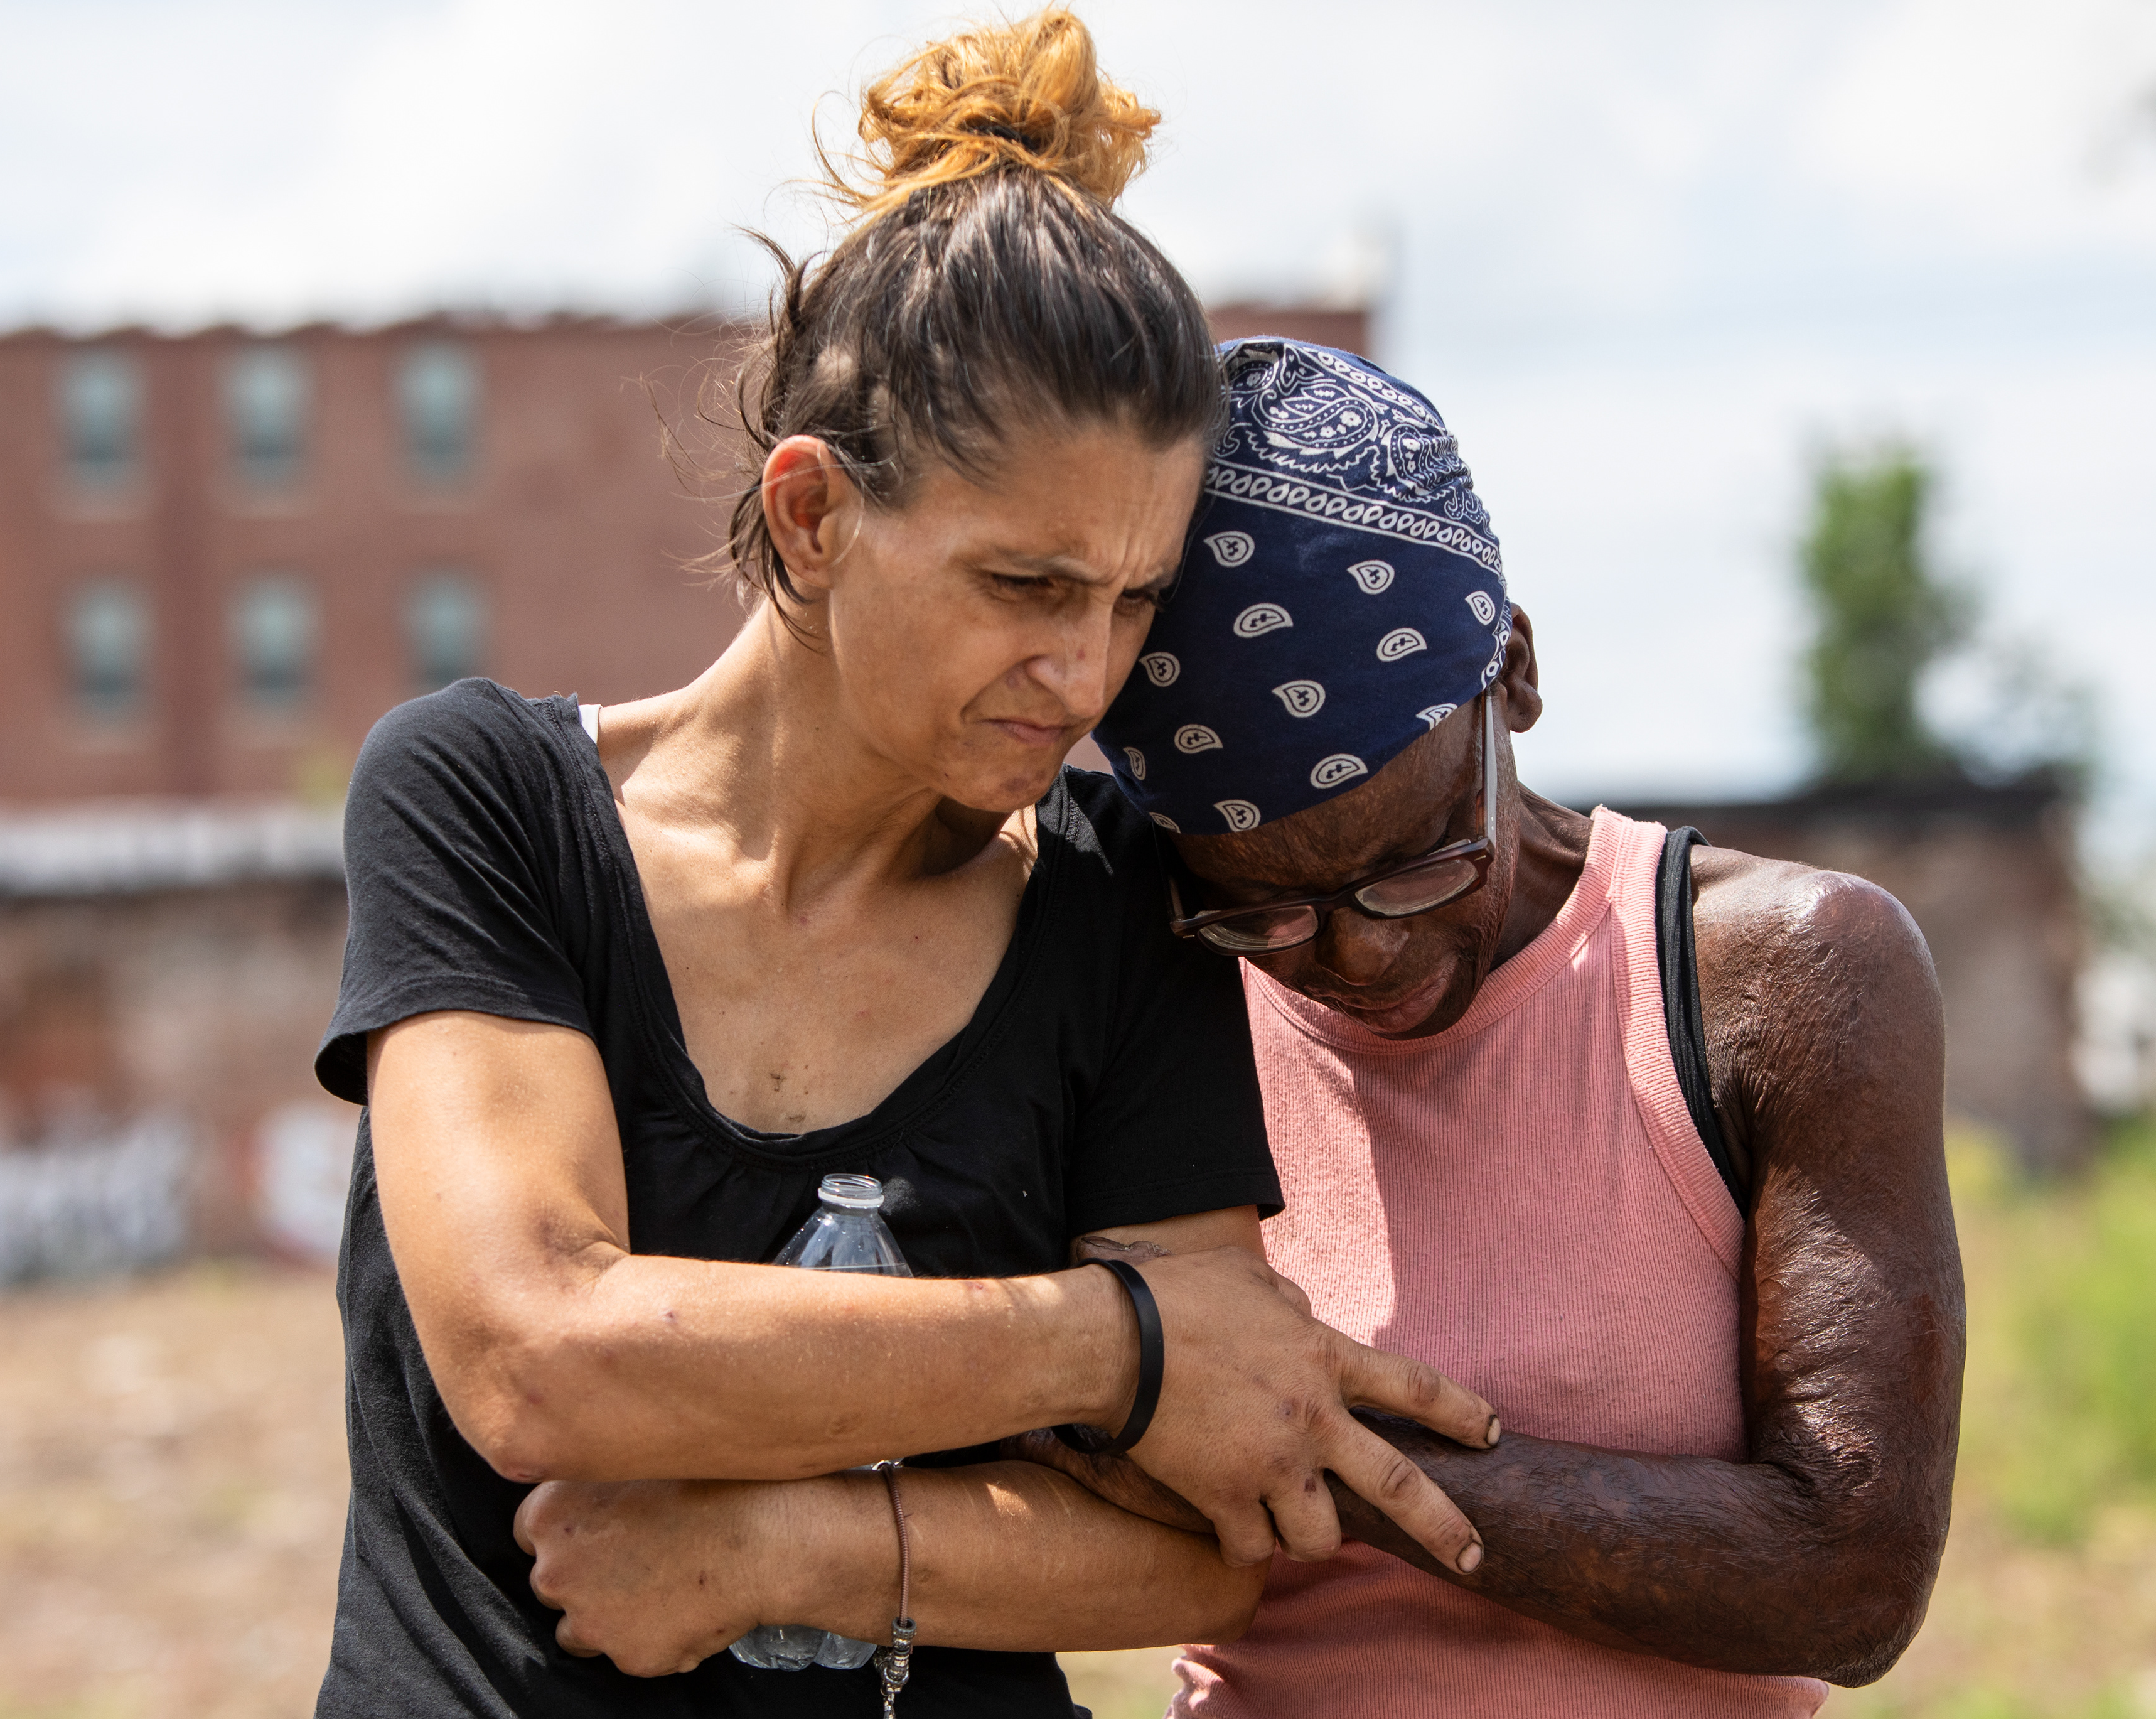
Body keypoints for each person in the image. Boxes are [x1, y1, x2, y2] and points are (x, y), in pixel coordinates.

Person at [311, 22, 1497, 1719]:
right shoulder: (485, 802)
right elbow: (539, 1354)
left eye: (1132, 598)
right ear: (810, 516)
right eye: (1026, 586)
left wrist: (803, 1546)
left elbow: (1210, 1538)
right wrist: (1121, 1344)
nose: (1085, 674)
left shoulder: (1113, 899)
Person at [1075, 336, 1965, 1716]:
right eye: (1268, 910)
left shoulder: (1778, 975)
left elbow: (1850, 1576)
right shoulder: (1153, 980)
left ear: (1517, 675)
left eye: (1422, 858)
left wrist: (1309, 1437)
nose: (1357, 955)